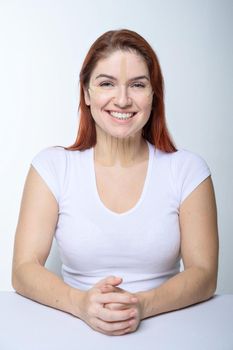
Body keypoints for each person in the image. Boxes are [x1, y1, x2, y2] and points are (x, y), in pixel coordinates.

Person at [12, 28, 219, 336]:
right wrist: (80, 303)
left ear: (153, 94)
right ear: (86, 93)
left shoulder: (188, 170)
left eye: (137, 85)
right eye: (106, 83)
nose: (122, 100)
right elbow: (23, 268)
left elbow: (205, 274)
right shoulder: (53, 167)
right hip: (72, 330)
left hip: (171, 330)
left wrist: (143, 305)